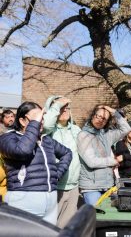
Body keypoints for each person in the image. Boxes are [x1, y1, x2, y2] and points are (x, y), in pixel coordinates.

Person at [0, 101, 72, 225]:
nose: (41, 121)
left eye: (42, 117)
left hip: (50, 200)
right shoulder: (8, 138)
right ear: (22, 121)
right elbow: (23, 151)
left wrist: (55, 175)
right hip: (23, 199)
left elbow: (67, 153)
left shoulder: (46, 140)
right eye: (37, 117)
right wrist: (35, 123)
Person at [78, 105, 130, 205]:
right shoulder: (83, 135)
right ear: (93, 115)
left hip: (107, 186)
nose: (101, 120)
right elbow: (91, 162)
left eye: (104, 119)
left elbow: (126, 128)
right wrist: (113, 161)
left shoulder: (106, 135)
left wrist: (113, 112)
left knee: (106, 219)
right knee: (95, 218)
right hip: (91, 188)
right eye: (98, 116)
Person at [43, 96, 81, 228]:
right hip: (55, 187)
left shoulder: (76, 130)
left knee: (67, 226)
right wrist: (57, 105)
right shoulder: (47, 131)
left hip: (74, 187)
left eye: (67, 108)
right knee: (50, 226)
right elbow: (47, 123)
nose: (64, 110)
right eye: (60, 108)